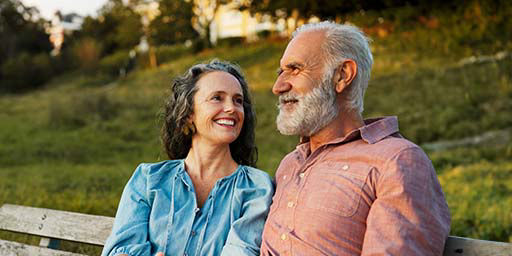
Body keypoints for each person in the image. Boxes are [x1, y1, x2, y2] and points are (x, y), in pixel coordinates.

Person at [260, 21, 451, 255]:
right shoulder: (290, 164)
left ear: (342, 75)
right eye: (281, 72)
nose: (278, 86)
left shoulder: (396, 161)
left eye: (295, 69)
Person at [102, 60, 274, 256]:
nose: (231, 108)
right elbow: (120, 251)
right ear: (188, 113)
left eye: (238, 100)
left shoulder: (256, 188)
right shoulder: (148, 179)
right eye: (217, 98)